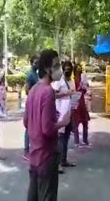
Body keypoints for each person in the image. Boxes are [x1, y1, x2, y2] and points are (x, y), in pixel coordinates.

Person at [24, 49, 70, 201]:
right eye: (56, 66)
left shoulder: (33, 90)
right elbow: (47, 129)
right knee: (47, 196)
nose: (60, 70)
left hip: (34, 154)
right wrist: (63, 122)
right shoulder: (48, 92)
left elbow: (26, 121)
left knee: (33, 196)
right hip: (47, 156)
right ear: (46, 69)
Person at [52, 61, 76, 168]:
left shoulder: (72, 81)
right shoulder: (59, 81)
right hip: (60, 112)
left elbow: (73, 95)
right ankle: (57, 163)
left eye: (69, 68)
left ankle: (63, 160)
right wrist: (65, 93)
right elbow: (52, 95)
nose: (68, 70)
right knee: (60, 138)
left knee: (66, 137)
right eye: (66, 68)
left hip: (69, 112)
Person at [23, 54, 40, 161]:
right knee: (29, 127)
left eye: (38, 62)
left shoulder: (36, 74)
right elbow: (27, 90)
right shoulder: (30, 75)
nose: (37, 64)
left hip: (36, 103)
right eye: (35, 63)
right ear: (31, 63)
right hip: (31, 103)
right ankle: (26, 151)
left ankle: (33, 148)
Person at [73, 63, 91, 147]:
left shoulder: (83, 77)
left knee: (85, 122)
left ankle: (85, 140)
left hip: (82, 101)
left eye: (80, 68)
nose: (79, 70)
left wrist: (85, 86)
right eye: (77, 68)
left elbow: (85, 90)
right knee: (76, 122)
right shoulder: (73, 79)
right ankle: (76, 141)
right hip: (76, 101)